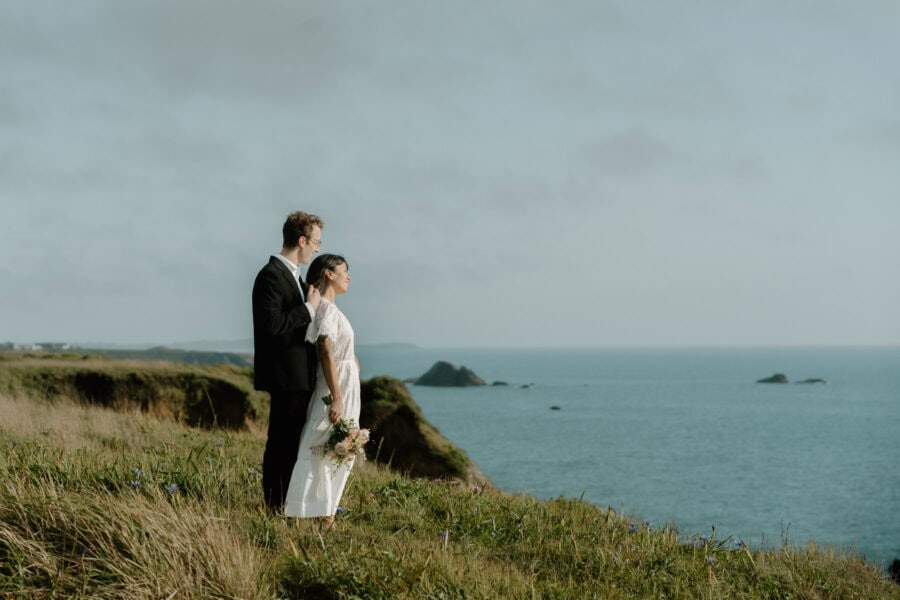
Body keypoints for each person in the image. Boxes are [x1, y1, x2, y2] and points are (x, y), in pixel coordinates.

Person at [252, 211, 323, 513]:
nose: (317, 249)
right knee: (280, 444)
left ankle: (287, 504)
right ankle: (273, 506)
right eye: (315, 242)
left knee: (292, 443)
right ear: (301, 240)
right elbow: (273, 326)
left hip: (300, 375)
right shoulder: (270, 276)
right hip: (285, 376)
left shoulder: (295, 277)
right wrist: (308, 309)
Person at [284, 253, 360, 529]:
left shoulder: (332, 310)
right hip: (335, 388)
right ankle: (315, 513)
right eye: (344, 271)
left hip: (345, 385)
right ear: (329, 274)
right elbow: (325, 346)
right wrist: (337, 396)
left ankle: (325, 513)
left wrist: (353, 362)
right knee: (323, 446)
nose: (348, 277)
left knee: (337, 450)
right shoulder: (326, 309)